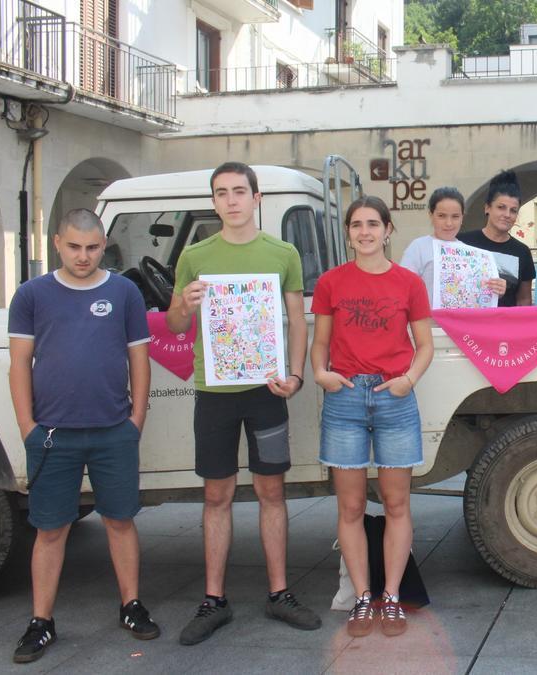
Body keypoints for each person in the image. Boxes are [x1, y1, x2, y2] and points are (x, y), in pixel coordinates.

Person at [167, 161, 320, 645]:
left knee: (272, 492)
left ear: (257, 198)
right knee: (217, 495)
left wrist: (295, 375)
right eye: (221, 193)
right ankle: (214, 599)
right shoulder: (194, 256)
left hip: (267, 390)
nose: (230, 200)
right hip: (214, 392)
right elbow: (173, 325)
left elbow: (297, 320)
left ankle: (279, 593)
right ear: (212, 201)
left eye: (239, 191)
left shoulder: (283, 252)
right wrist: (184, 305)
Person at [7, 208, 158, 663]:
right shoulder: (32, 294)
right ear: (57, 243)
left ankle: (131, 606)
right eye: (74, 246)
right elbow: (19, 365)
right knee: (50, 529)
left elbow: (139, 361)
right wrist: (27, 427)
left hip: (114, 431)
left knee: (120, 520)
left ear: (103, 246)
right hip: (52, 433)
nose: (83, 256)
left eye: (92, 248)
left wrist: (135, 423)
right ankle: (41, 621)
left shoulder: (124, 291)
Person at [311, 196, 433, 638]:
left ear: (387, 229)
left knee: (397, 503)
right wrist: (321, 374)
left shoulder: (408, 283)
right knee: (352, 506)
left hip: (394, 397)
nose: (364, 232)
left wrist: (408, 380)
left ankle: (393, 595)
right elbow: (320, 342)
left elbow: (425, 345)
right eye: (356, 224)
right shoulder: (331, 282)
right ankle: (363, 596)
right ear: (348, 232)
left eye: (372, 224)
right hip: (345, 398)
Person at [398, 186, 505, 304]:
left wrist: (496, 289)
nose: (448, 223)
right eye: (441, 216)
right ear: (431, 215)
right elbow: (402, 288)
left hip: (461, 322)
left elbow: (478, 293)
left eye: (455, 216)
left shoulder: (471, 254)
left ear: (462, 218)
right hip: (427, 322)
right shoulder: (418, 247)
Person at [457, 170, 535, 306]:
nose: (507, 214)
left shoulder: (522, 251)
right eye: (501, 207)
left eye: (513, 210)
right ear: (487, 208)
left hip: (508, 325)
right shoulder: (463, 243)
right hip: (468, 324)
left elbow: (524, 300)